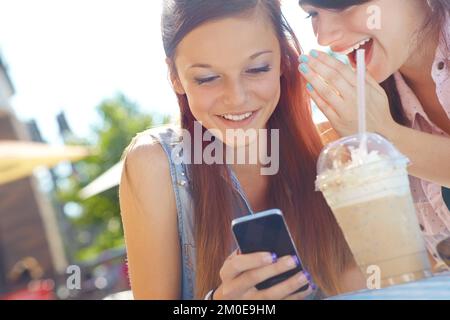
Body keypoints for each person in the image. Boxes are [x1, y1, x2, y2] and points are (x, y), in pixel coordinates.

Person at [119, 0, 366, 300]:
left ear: (284, 60)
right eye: (207, 78)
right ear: (175, 76)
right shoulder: (154, 165)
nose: (236, 98)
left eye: (257, 68)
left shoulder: (333, 150)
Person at [297, 0, 450, 268]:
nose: (323, 36)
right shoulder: (371, 103)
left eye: (342, 5)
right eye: (312, 14)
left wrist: (386, 135)